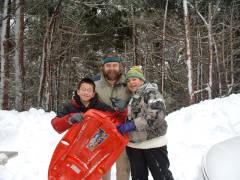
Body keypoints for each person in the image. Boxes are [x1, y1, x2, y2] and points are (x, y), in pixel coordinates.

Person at [117, 66, 174, 180]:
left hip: (153, 144)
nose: (131, 82)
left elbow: (157, 115)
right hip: (134, 145)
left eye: (134, 79)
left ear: (142, 80)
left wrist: (133, 124)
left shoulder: (151, 92)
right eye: (128, 80)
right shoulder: (131, 96)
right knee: (138, 177)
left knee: (162, 176)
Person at [93, 48, 130, 180]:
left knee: (123, 168)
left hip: (123, 131)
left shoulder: (129, 82)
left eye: (114, 65)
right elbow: (83, 101)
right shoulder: (94, 83)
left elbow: (140, 103)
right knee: (101, 166)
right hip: (100, 132)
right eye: (108, 65)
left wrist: (126, 108)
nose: (111, 68)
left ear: (120, 66)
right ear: (103, 67)